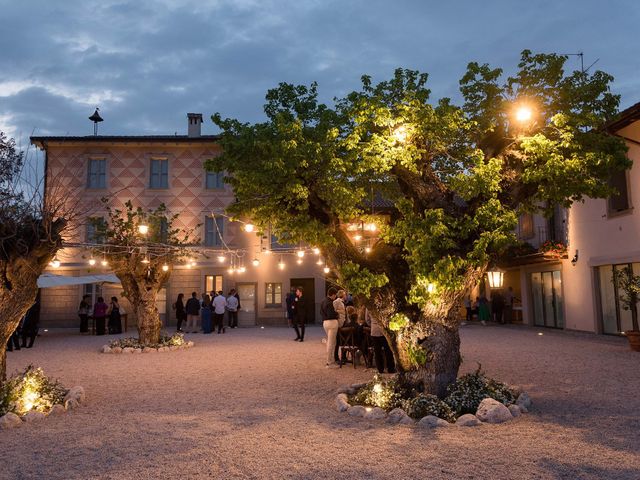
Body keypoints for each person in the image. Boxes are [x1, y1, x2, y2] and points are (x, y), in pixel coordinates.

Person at [369, 309, 395, 374]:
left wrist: (372, 324)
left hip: (374, 330)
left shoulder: (369, 305)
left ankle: (380, 369)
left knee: (377, 351)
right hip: (384, 330)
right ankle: (390, 368)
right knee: (388, 350)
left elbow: (367, 319)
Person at [320, 287, 338, 366]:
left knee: (331, 342)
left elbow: (321, 312)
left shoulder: (323, 301)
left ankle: (331, 359)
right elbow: (331, 314)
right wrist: (336, 314)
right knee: (332, 342)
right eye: (335, 295)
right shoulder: (330, 303)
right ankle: (329, 361)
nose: (336, 297)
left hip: (325, 323)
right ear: (333, 295)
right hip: (332, 323)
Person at [332, 290, 347, 362]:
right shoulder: (336, 301)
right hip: (339, 322)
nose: (346, 296)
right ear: (342, 295)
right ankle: (336, 357)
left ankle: (343, 356)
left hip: (344, 322)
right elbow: (334, 311)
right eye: (345, 294)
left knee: (344, 340)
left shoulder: (343, 302)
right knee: (338, 341)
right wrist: (340, 312)